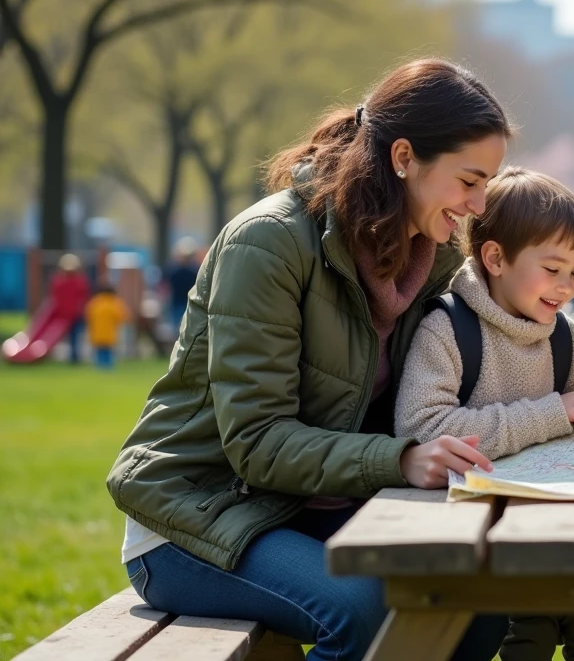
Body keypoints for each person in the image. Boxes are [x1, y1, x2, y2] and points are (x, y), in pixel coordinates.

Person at [106, 58, 513, 661]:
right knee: (359, 611)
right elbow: (257, 441)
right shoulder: (268, 243)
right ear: (404, 158)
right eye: (469, 180)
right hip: (201, 517)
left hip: (312, 510)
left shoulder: (428, 260)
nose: (479, 205)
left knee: (470, 605)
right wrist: (401, 459)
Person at [396, 168, 574, 661]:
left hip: (560, 528)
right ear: (495, 257)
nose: (567, 288)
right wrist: (549, 413)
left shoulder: (564, 336)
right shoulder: (448, 329)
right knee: (529, 635)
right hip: (475, 537)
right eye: (554, 268)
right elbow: (421, 430)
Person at [49, 253, 91, 363]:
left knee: (74, 336)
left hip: (72, 314)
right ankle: (74, 356)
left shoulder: (60, 281)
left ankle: (74, 356)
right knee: (73, 336)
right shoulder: (78, 281)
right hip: (68, 313)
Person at [85, 283, 129, 370]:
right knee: (108, 351)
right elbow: (122, 316)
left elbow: (88, 315)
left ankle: (99, 366)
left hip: (96, 332)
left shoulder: (95, 302)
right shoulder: (114, 303)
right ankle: (108, 367)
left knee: (100, 351)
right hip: (110, 332)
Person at [163, 237, 201, 335]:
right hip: (186, 302)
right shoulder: (195, 270)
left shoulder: (173, 269)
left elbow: (166, 285)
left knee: (178, 329)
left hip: (178, 302)